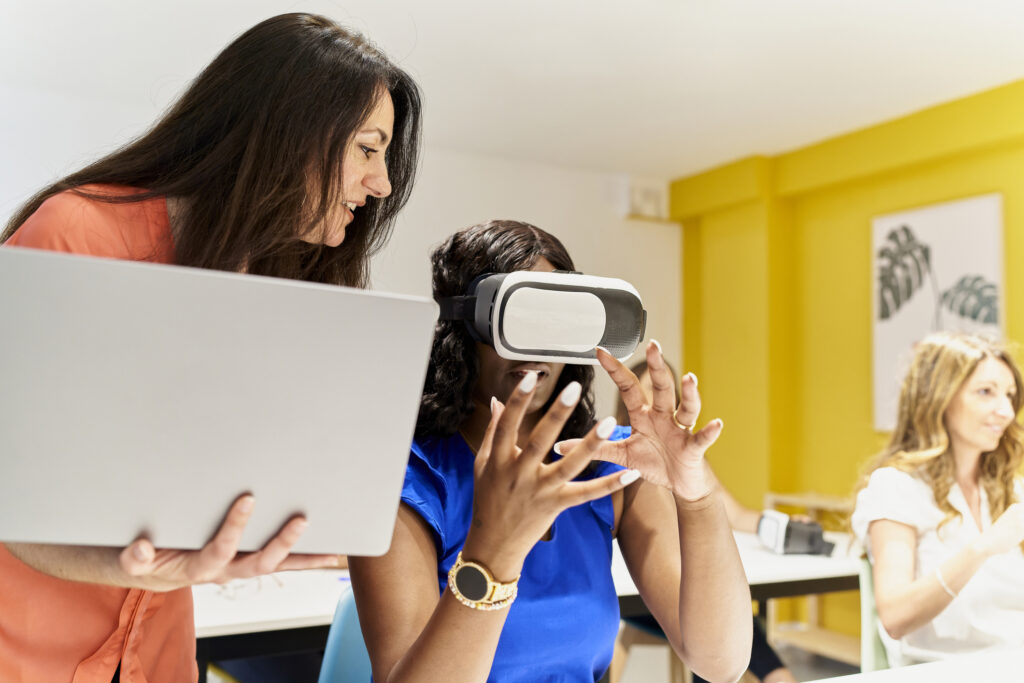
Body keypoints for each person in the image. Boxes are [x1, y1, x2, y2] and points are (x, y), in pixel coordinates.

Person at [1, 13, 421, 683]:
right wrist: (145, 563)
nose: (382, 184)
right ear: (292, 131)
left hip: (156, 656)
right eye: (369, 149)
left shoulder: (259, 277)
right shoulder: (76, 231)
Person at [349, 221, 752, 683]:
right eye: (519, 319)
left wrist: (695, 497)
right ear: (464, 328)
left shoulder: (607, 464)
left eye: (556, 325)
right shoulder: (406, 479)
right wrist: (494, 551)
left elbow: (721, 662)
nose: (537, 348)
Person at [611, 359, 797, 683]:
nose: (652, 412)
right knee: (710, 627)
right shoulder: (616, 466)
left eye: (660, 400)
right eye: (641, 402)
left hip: (698, 592)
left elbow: (736, 514)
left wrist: (782, 525)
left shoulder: (688, 459)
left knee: (736, 631)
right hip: (649, 597)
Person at [851, 332, 1024, 666]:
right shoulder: (895, 488)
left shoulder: (1008, 488)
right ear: (939, 399)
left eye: (1010, 396)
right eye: (985, 392)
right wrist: (982, 548)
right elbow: (896, 617)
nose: (1005, 411)